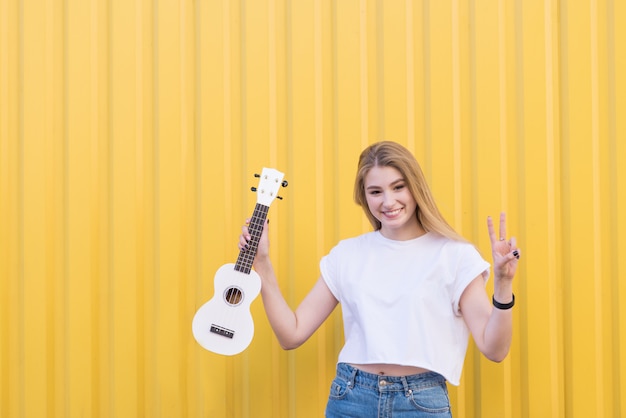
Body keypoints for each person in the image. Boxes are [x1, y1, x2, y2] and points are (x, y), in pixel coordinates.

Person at [239, 141, 520, 417]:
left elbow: (494, 349)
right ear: (364, 197)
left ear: (415, 187)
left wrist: (503, 284)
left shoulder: (455, 255)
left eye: (398, 187)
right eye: (375, 191)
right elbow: (292, 334)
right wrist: (262, 263)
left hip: (421, 403)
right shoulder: (347, 254)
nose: (388, 201)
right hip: (350, 398)